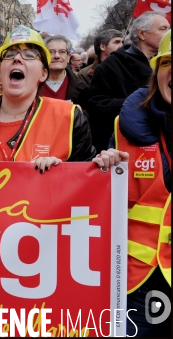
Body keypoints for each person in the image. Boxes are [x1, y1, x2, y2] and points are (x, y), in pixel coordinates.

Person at [94, 30, 171, 337]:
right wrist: (100, 173)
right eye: (168, 63)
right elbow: (102, 207)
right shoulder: (125, 130)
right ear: (155, 73)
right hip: (136, 279)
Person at [0, 25, 96, 168]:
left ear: (43, 74)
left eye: (30, 55)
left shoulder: (69, 118)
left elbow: (85, 181)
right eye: (9, 54)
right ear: (0, 73)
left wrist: (61, 172)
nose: (17, 59)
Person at [86, 11, 170, 152]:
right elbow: (96, 106)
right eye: (163, 29)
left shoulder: (166, 65)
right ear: (141, 34)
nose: (168, 33)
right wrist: (138, 103)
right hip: (126, 148)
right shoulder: (111, 66)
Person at [41, 35, 87, 104]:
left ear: (68, 58)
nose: (57, 56)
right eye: (51, 52)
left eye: (62, 52)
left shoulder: (81, 88)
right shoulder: (32, 85)